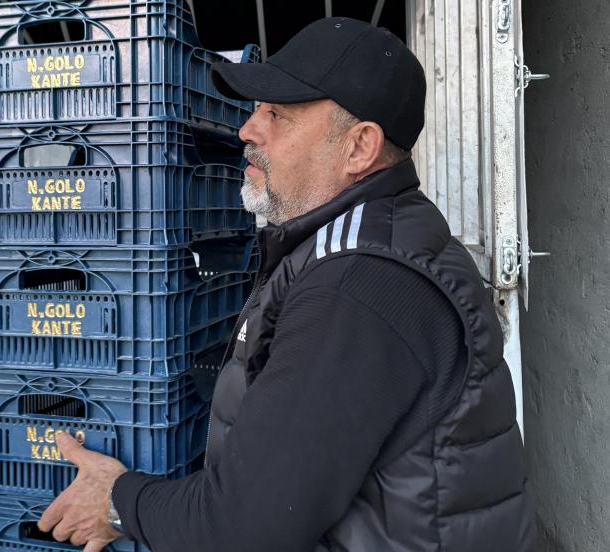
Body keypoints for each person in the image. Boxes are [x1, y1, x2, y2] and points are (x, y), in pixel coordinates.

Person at [36, 17, 536, 552]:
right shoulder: (371, 239)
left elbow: (243, 528)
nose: (248, 130)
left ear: (359, 148)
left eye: (278, 114)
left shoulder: (358, 285)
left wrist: (118, 502)